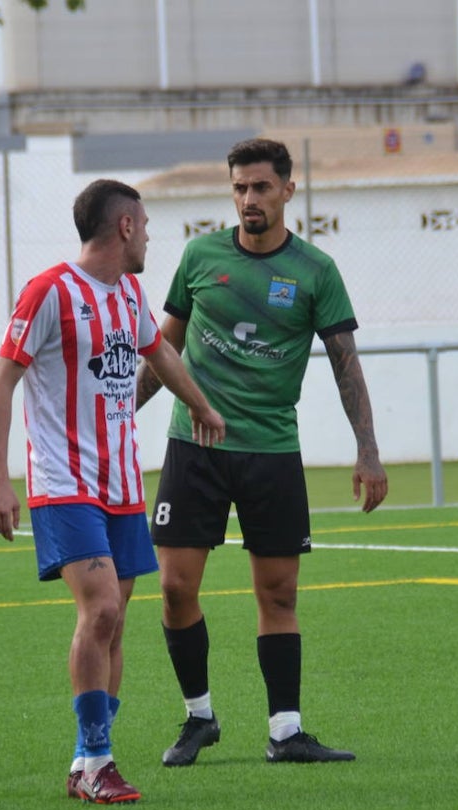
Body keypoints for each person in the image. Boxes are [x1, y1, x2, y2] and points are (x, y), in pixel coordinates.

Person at [135, 137, 389, 767]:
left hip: (271, 450)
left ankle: (285, 732)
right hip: (193, 447)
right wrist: (114, 414)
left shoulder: (315, 271)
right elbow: (162, 350)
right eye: (240, 188)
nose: (250, 199)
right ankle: (199, 718)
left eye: (262, 188)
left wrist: (369, 452)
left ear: (287, 192)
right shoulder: (199, 257)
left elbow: (346, 366)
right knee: (173, 587)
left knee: (278, 594)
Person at [0, 179, 225, 804]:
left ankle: (87, 761)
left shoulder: (129, 293)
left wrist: (202, 405)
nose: (147, 236)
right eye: (144, 225)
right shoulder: (49, 291)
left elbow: (161, 353)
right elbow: (2, 384)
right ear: (124, 227)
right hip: (64, 485)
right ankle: (97, 761)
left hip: (122, 486)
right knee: (102, 612)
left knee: (114, 629)